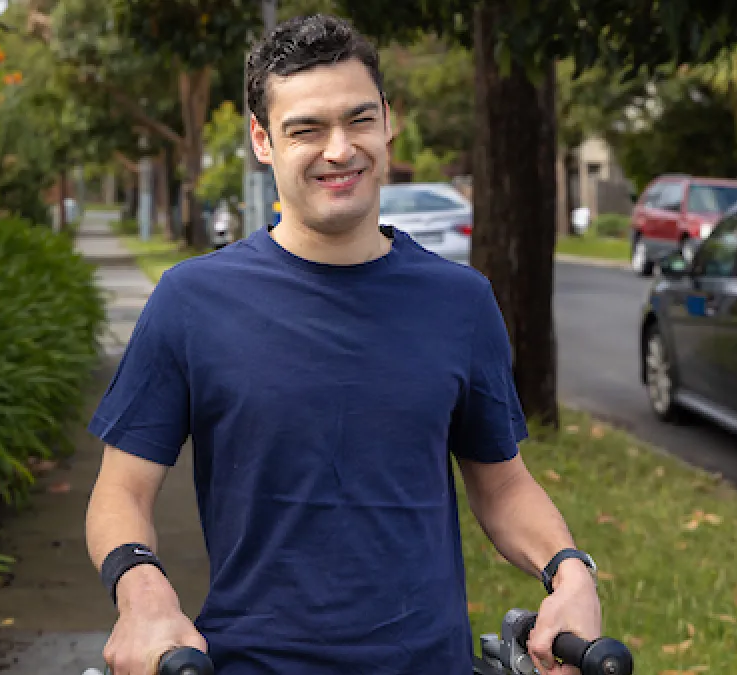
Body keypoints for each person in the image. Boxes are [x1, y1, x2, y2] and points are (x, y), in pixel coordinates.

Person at [85, 14, 602, 675]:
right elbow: (119, 492)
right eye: (306, 129)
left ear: (388, 121)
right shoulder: (190, 302)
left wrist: (570, 573)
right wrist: (142, 589)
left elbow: (503, 485)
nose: (339, 149)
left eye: (359, 120)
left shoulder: (461, 302)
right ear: (262, 140)